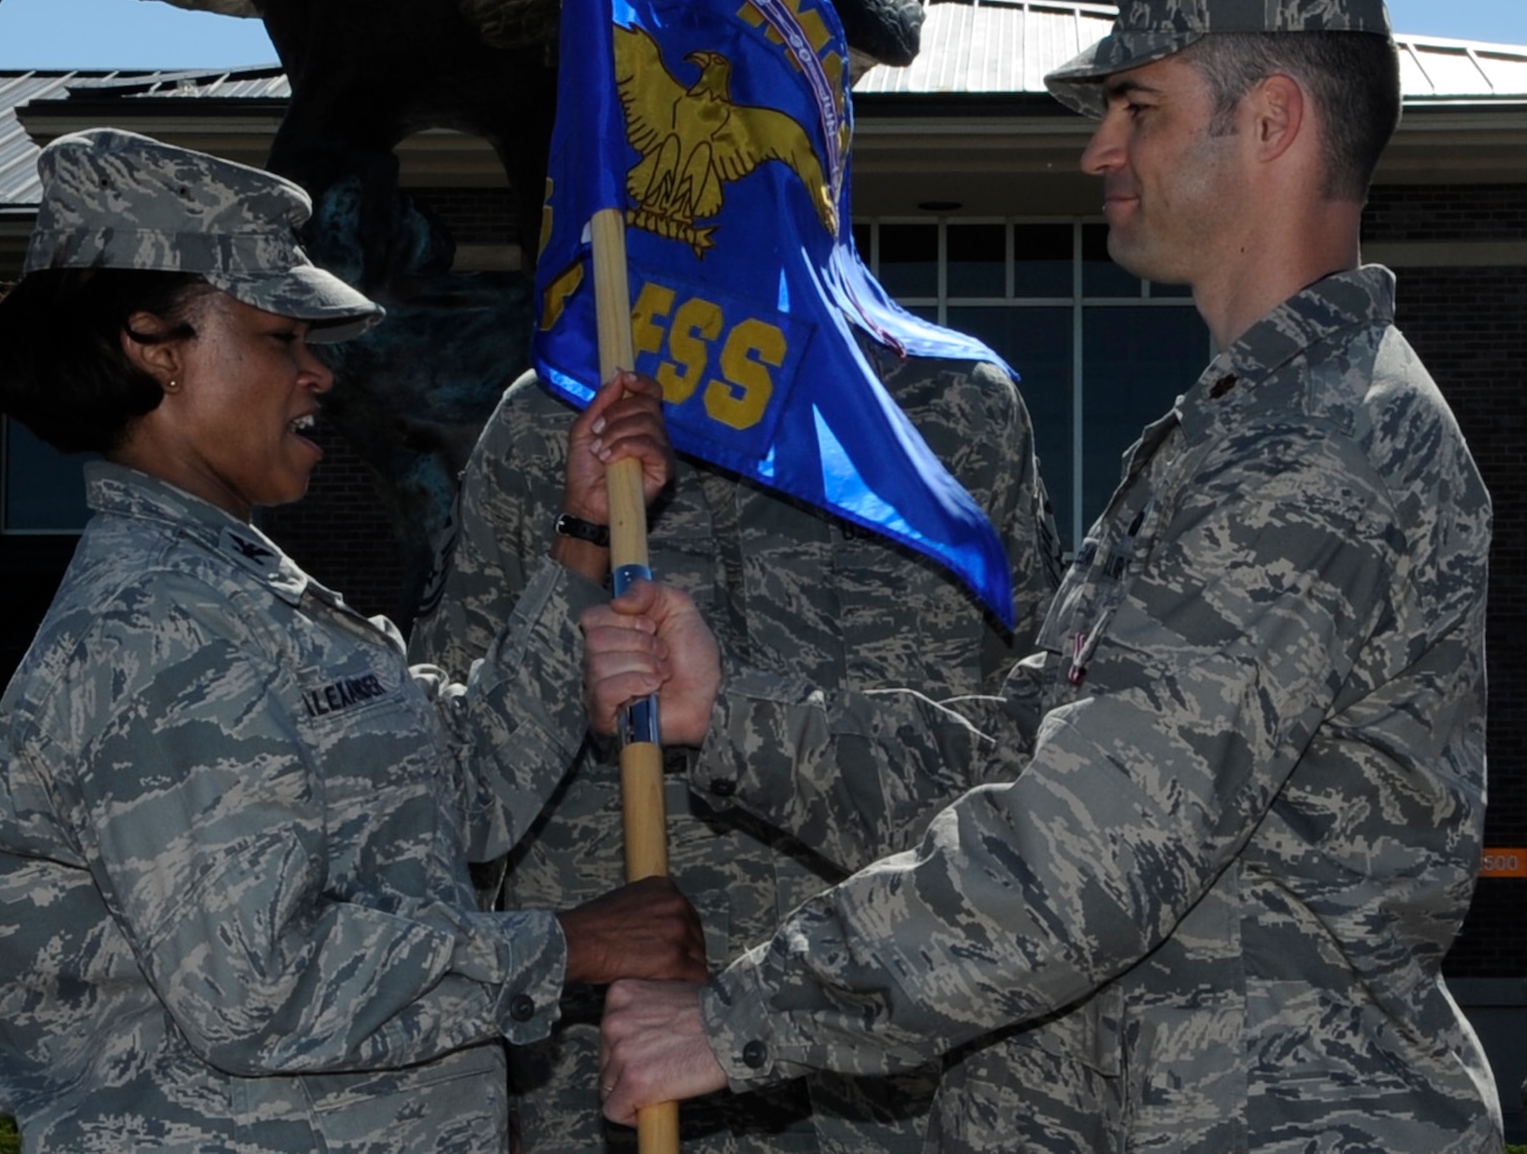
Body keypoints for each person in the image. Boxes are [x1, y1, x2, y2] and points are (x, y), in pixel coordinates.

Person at [582, 0, 1503, 1152]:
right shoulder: (1234, 431)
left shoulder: (1321, 441)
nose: (1096, 152)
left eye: (1139, 108)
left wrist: (735, 1018)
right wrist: (731, 714)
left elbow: (1087, 848)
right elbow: (1019, 764)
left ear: (1273, 119)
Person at [0, 128, 704, 1153]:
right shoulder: (158, 631)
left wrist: (581, 529)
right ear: (153, 345)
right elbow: (257, 989)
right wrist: (565, 945)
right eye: (280, 338)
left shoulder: (250, 599)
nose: (319, 375)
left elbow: (473, 789)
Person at [409, 343, 1061, 1150]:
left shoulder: (952, 407)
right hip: (613, 1064)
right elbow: (455, 779)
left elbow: (1031, 756)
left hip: (894, 1053)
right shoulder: (556, 418)